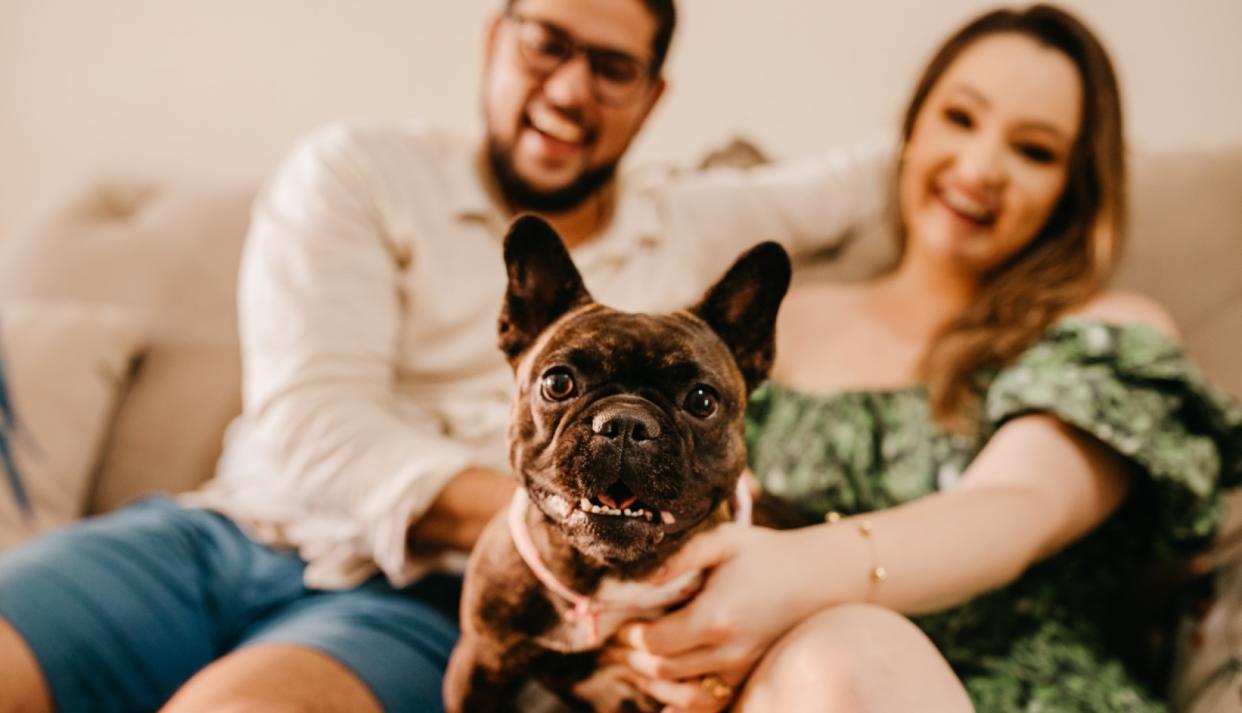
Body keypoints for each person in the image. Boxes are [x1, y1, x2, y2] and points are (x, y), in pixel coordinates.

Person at [0, 1, 892, 712]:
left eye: (613, 67)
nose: (573, 87)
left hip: (417, 598)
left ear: (654, 95)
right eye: (548, 43)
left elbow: (892, 167)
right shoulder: (357, 171)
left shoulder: (700, 217)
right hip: (225, 531)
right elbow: (311, 423)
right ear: (495, 40)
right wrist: (557, 514)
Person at [609, 5, 1242, 712]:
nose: (979, 168)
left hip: (1024, 693)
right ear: (911, 129)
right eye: (960, 119)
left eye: (1034, 151)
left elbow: (1016, 507)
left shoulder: (1106, 332)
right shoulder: (764, 327)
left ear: (1074, 188)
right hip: (771, 691)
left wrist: (792, 572)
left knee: (844, 653)